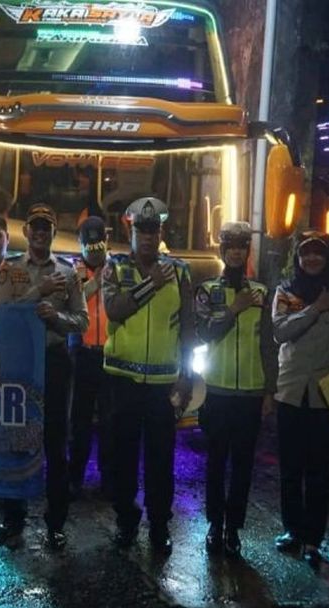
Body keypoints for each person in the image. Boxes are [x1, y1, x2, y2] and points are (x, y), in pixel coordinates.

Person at [102, 196, 196, 554]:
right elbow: (114, 310)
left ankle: (159, 525)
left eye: (153, 231)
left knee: (161, 460)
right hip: (122, 381)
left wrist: (187, 377)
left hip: (162, 385)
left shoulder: (180, 272)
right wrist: (149, 284)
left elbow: (188, 329)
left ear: (161, 233)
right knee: (122, 457)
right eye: (141, 231)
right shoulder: (115, 267)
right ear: (131, 232)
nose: (147, 237)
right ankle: (126, 521)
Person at [0, 203, 88, 550]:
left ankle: (56, 524)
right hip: (20, 362)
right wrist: (39, 293)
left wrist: (57, 319)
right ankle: (13, 519)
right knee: (18, 442)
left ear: (53, 233)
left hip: (55, 360)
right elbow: (1, 315)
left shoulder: (68, 272)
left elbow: (82, 320)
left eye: (46, 227)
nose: (40, 233)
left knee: (55, 444)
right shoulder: (10, 269)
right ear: (26, 232)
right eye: (35, 227)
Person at [271, 232, 329, 568]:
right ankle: (293, 530)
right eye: (305, 254)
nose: (312, 259)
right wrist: (315, 309)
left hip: (327, 394)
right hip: (291, 391)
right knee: (290, 468)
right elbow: (280, 332)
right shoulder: (285, 292)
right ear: (297, 259)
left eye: (318, 253)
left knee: (320, 471)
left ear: (327, 258)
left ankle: (313, 539)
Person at [194, 221, 278, 556]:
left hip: (251, 394)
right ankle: (215, 523)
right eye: (230, 246)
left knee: (243, 465)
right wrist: (232, 309)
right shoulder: (207, 290)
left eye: (242, 247)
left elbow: (268, 345)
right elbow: (204, 332)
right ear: (222, 250)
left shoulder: (261, 292)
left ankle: (234, 528)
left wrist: (269, 390)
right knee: (216, 462)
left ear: (247, 251)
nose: (236, 252)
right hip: (217, 390)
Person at [67, 215, 113, 499]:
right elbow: (72, 300)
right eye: (89, 246)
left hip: (111, 355)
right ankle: (75, 479)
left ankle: (109, 481)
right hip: (81, 354)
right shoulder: (73, 270)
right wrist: (96, 281)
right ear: (80, 244)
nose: (95, 251)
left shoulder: (118, 269)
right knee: (79, 422)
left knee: (110, 423)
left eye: (99, 245)